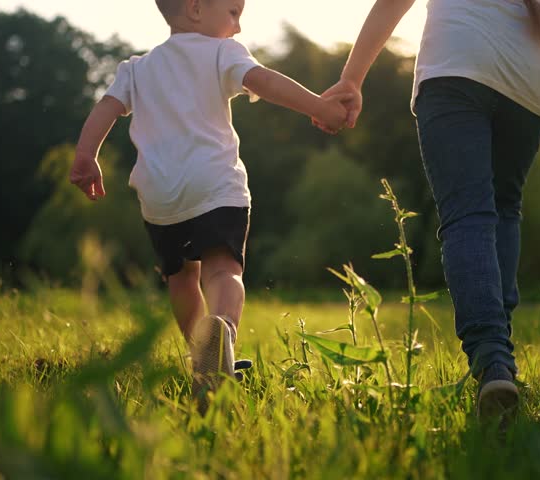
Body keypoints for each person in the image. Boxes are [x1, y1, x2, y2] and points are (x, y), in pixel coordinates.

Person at [316, 0, 540, 420]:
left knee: (469, 215)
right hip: (530, 79)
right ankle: (500, 362)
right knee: (503, 210)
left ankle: (492, 360)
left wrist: (351, 78)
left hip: (458, 60)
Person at [69, 0, 351, 410]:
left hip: (160, 192)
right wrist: (320, 106)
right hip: (215, 184)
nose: (238, 28)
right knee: (222, 270)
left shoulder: (136, 68)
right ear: (197, 9)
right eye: (234, 13)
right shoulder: (222, 52)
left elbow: (106, 109)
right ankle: (221, 337)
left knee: (181, 279)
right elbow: (267, 82)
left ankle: (202, 360)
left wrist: (84, 156)